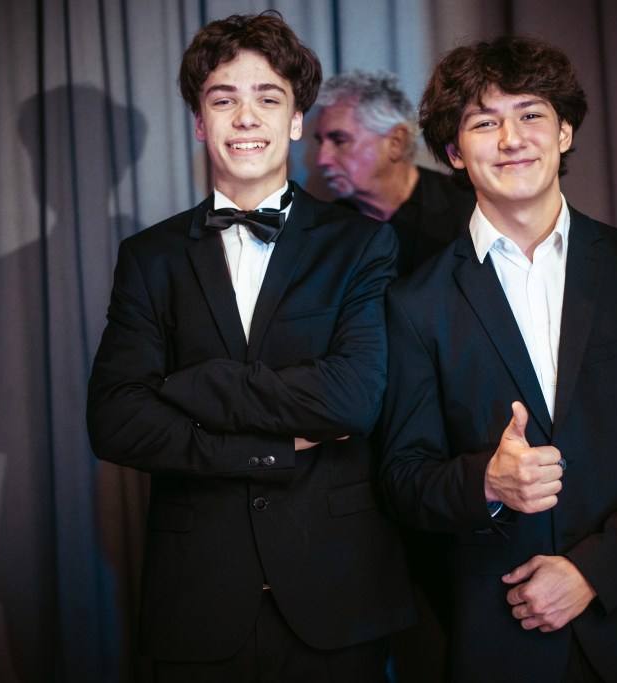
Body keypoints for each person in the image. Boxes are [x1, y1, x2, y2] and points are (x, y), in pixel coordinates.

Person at [379, 35, 617, 683]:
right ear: (454, 152)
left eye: (531, 114)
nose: (512, 138)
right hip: (500, 636)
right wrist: (487, 482)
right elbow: (403, 478)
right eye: (484, 123)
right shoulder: (415, 303)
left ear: (565, 131)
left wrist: (595, 570)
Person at [86, 11, 415, 681]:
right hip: (199, 593)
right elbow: (116, 419)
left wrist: (190, 383)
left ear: (295, 120)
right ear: (199, 122)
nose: (245, 118)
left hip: (338, 589)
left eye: (268, 98)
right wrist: (267, 449)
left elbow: (353, 399)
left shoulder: (362, 244)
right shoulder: (149, 257)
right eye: (223, 99)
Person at [314, 69, 474, 275]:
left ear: (396, 143)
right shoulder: (327, 230)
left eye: (339, 141)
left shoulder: (468, 210)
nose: (322, 160)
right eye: (320, 142)